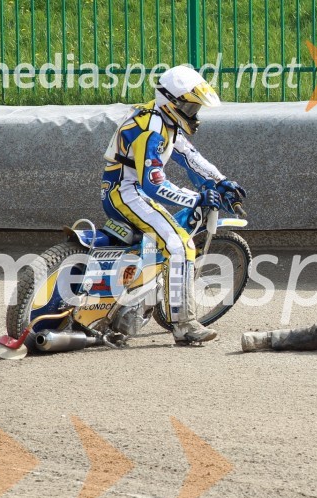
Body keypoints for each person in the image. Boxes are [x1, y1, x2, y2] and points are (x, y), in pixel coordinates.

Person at [100, 65, 246, 344]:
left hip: (123, 189)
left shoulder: (161, 119)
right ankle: (184, 325)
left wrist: (221, 180)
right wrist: (196, 197)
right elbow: (152, 184)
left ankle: (131, 300)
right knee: (180, 244)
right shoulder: (152, 129)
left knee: (161, 240)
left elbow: (190, 156)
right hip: (126, 193)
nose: (195, 115)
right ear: (173, 102)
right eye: (191, 109)